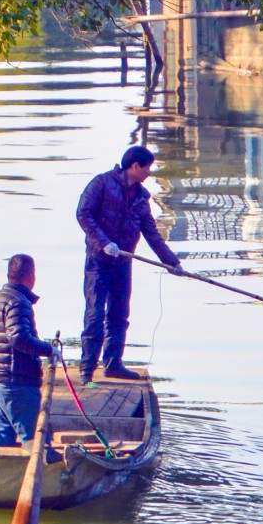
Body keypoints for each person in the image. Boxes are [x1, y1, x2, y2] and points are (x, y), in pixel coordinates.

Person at [76, 144, 182, 381]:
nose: (149, 173)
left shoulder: (142, 199)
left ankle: (113, 364)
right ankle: (87, 368)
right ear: (135, 166)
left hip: (123, 262)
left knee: (120, 314)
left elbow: (152, 234)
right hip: (98, 260)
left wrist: (172, 262)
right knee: (95, 314)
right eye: (148, 168)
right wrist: (103, 242)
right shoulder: (101, 183)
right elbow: (83, 214)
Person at [0, 254, 57, 447]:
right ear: (31, 277)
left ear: (8, 275)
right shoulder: (18, 302)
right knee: (36, 442)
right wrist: (50, 350)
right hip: (17, 384)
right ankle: (43, 475)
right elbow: (19, 337)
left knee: (3, 441)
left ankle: (1, 474)